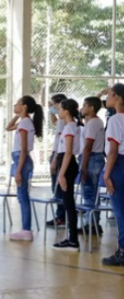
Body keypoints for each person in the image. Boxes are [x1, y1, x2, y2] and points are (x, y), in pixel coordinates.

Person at [7, 95, 44, 242]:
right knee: (22, 196)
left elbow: (23, 150)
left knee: (23, 197)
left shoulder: (25, 123)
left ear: (25, 107)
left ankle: (26, 229)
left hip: (22, 160)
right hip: (20, 159)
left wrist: (18, 171)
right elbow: (8, 127)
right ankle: (25, 229)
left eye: (18, 104)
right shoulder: (24, 122)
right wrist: (17, 115)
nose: (15, 105)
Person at [52, 99, 82, 251]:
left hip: (67, 164)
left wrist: (61, 174)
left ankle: (72, 240)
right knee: (67, 203)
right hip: (66, 163)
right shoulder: (72, 126)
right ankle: (71, 238)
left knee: (69, 204)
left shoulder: (70, 127)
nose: (58, 111)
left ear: (67, 111)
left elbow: (68, 152)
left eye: (60, 109)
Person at [103, 84, 124, 266]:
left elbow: (113, 151)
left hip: (120, 165)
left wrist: (107, 174)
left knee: (120, 211)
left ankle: (123, 251)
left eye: (109, 94)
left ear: (117, 97)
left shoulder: (116, 120)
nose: (106, 97)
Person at [79, 96, 106, 235]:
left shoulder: (92, 124)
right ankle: (93, 223)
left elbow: (87, 147)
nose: (82, 108)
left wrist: (83, 167)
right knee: (93, 194)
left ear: (91, 108)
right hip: (97, 157)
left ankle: (91, 225)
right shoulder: (97, 122)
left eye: (84, 105)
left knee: (89, 193)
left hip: (91, 159)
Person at [46, 93, 67, 228]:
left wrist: (54, 159)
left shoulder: (63, 122)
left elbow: (60, 142)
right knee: (57, 187)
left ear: (59, 104)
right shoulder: (62, 120)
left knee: (57, 187)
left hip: (58, 153)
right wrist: (50, 111)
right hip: (57, 153)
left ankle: (61, 216)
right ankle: (60, 215)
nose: (53, 107)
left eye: (54, 104)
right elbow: (54, 121)